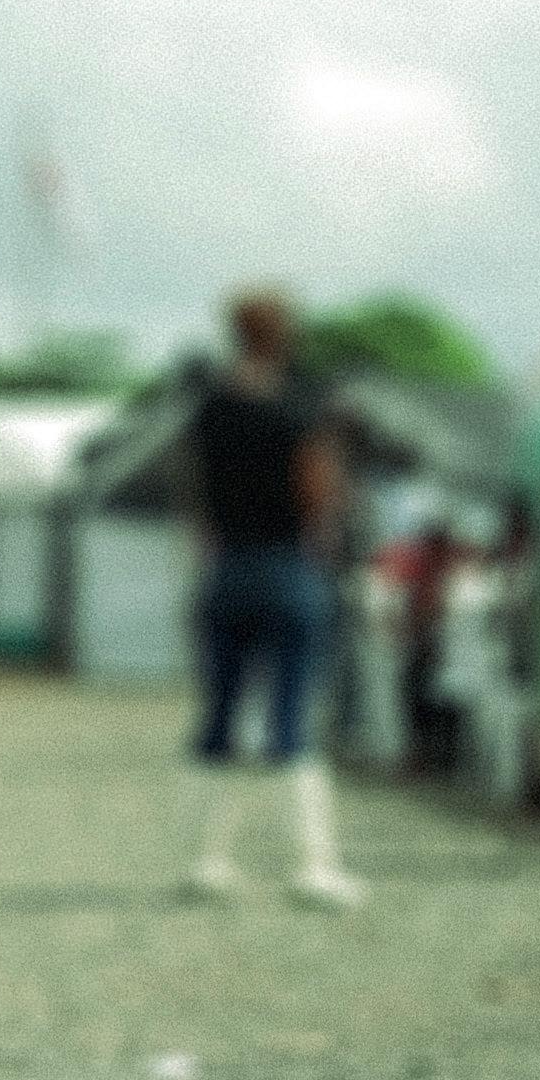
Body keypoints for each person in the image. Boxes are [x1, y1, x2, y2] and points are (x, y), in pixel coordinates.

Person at [179, 286, 360, 906]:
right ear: (284, 334)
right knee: (290, 717)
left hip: (227, 567)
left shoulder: (212, 406)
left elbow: (197, 495)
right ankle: (313, 865)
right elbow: (317, 486)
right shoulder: (301, 403)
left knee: (220, 716)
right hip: (286, 564)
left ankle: (207, 861)